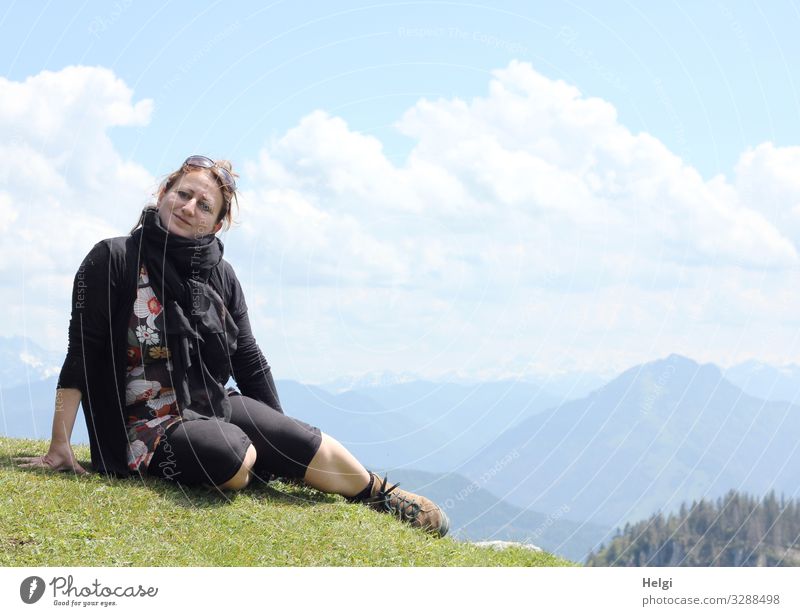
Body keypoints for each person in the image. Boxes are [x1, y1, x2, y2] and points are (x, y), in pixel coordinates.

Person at [15, 155, 449, 538]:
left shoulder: (220, 276)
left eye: (203, 205)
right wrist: (61, 443)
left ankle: (380, 495)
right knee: (231, 458)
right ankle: (246, 455)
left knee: (299, 439)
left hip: (211, 403)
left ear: (217, 223)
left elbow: (249, 360)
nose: (188, 208)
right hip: (142, 430)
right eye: (183, 194)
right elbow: (82, 353)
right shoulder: (112, 259)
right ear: (163, 192)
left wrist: (280, 440)